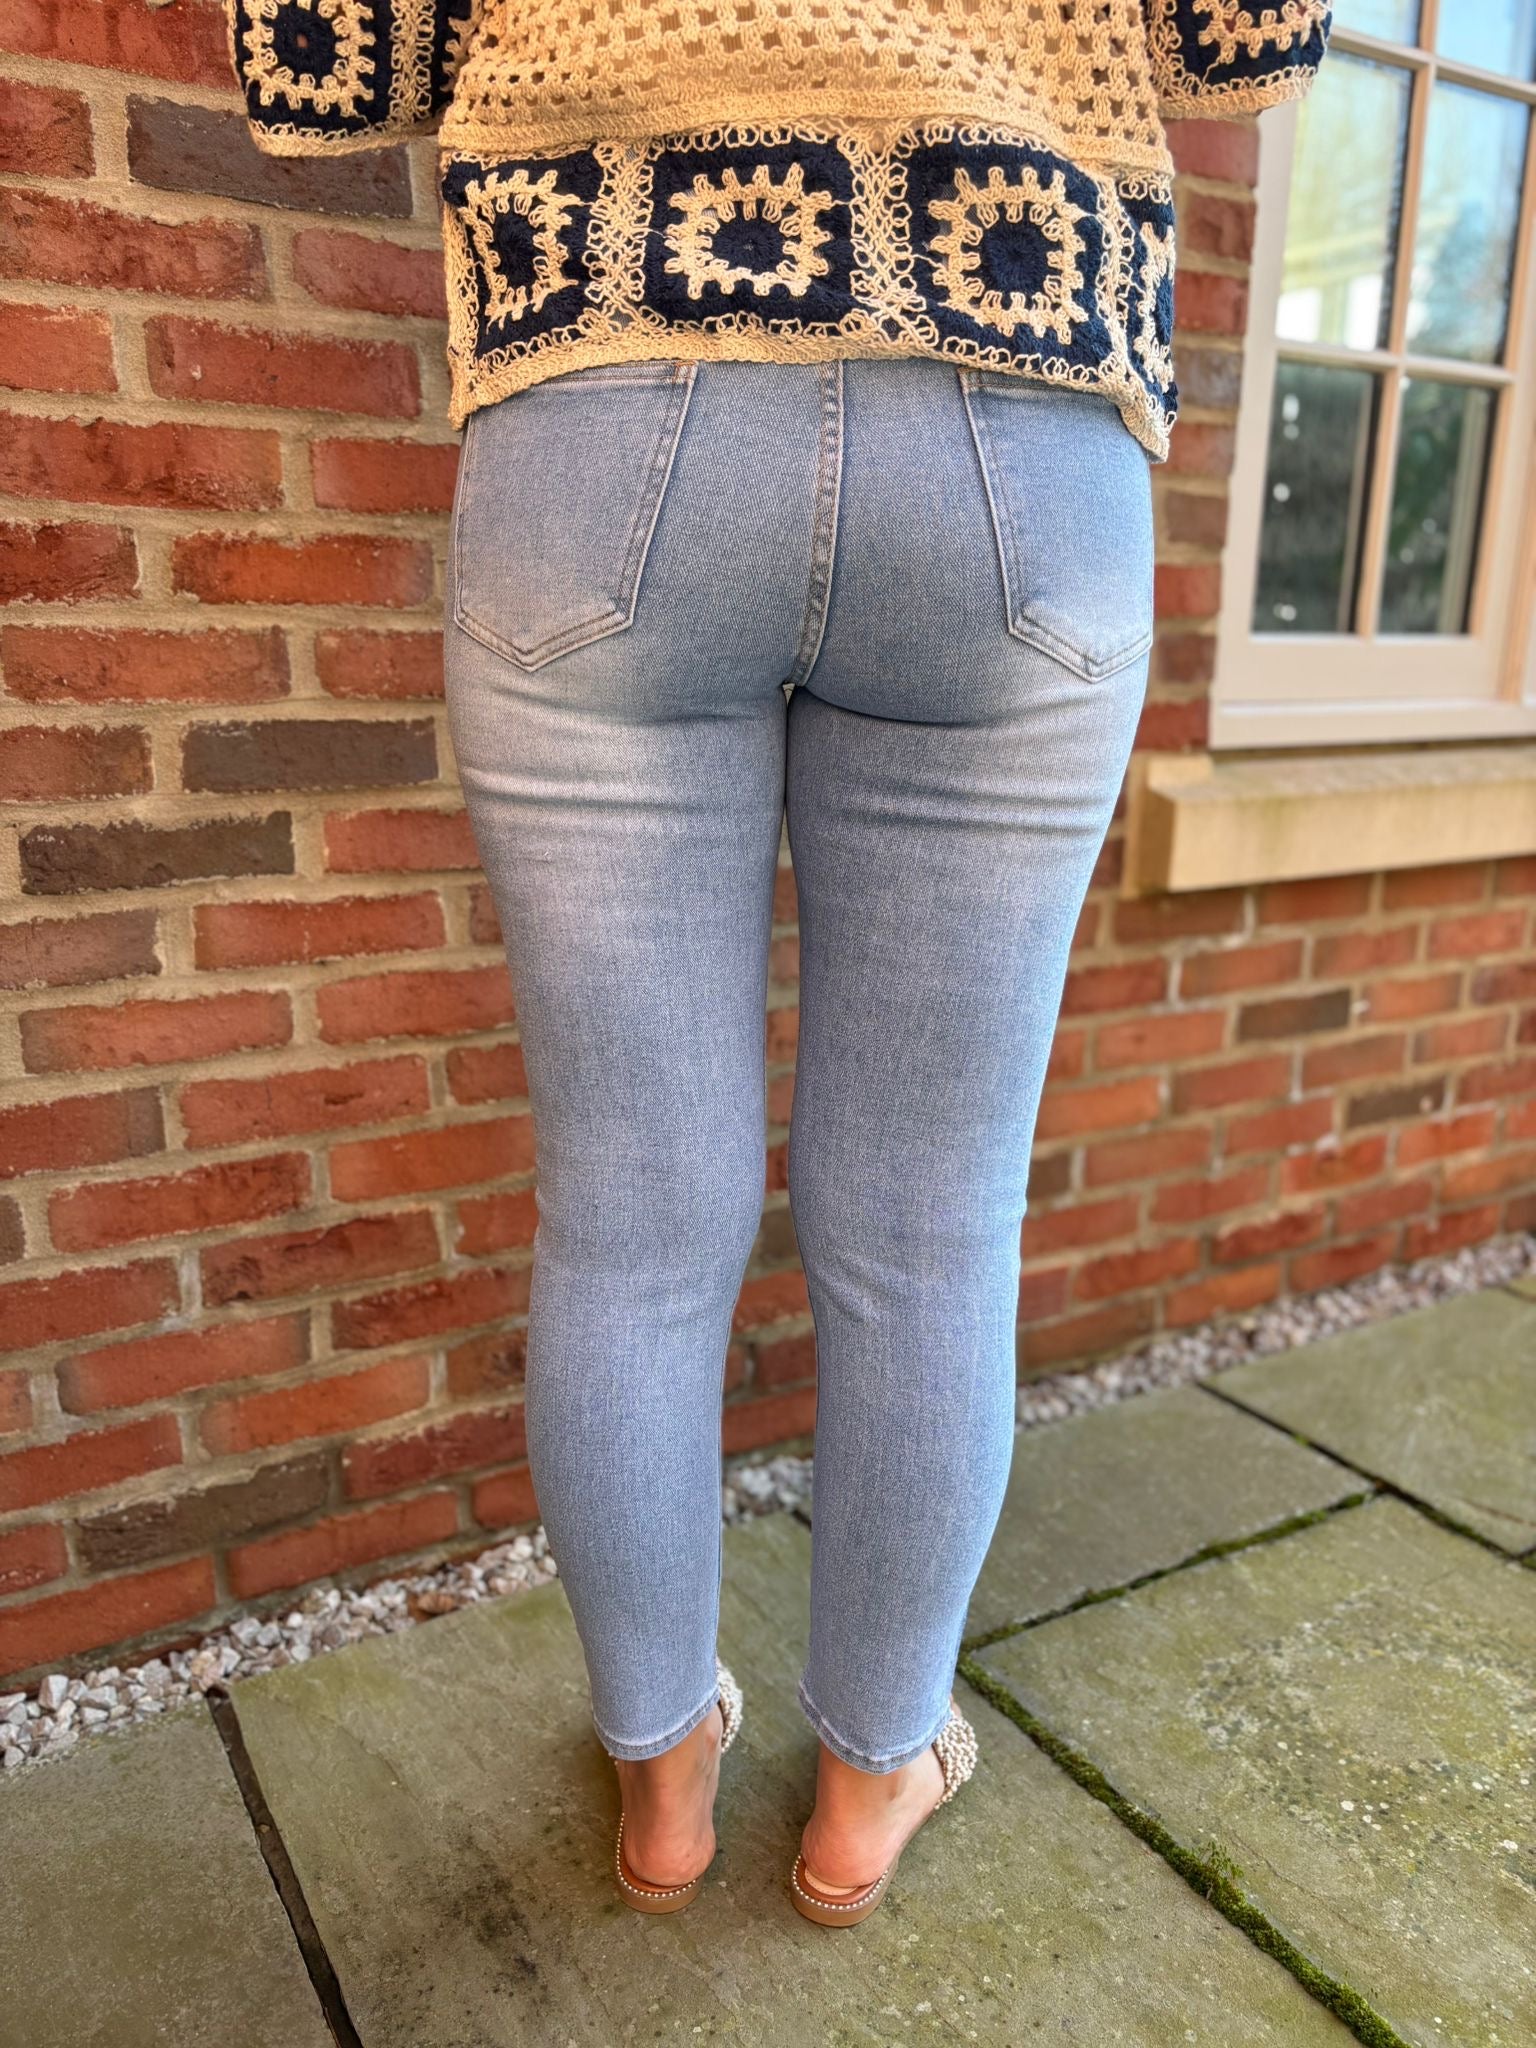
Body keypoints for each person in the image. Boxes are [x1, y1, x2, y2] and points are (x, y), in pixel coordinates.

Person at [225, 0, 1332, 1923]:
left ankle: (662, 1777)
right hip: (1017, 410)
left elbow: (334, 67)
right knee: (928, 1225)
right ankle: (869, 1784)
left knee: (631, 1225)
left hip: (605, 416)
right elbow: (1250, 45)